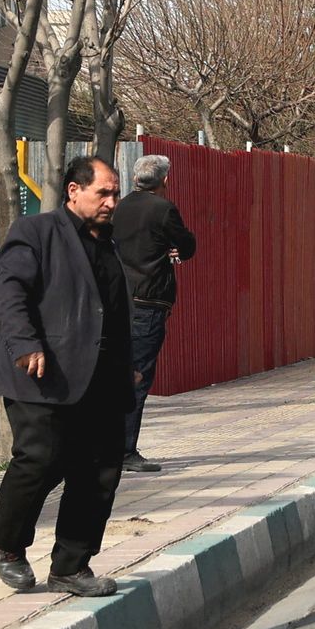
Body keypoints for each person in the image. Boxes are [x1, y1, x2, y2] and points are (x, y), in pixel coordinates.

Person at [0, 157, 135, 597]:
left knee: (99, 471)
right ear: (73, 191)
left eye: (115, 193)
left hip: (100, 379)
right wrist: (26, 343)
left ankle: (71, 565)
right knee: (41, 458)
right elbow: (9, 291)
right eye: (103, 192)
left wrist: (129, 362)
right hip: (41, 372)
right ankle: (6, 544)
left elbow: (110, 310)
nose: (111, 201)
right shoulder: (37, 231)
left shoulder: (110, 243)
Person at [111, 153, 196, 476]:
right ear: (164, 180)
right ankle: (125, 450)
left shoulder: (118, 207)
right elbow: (185, 244)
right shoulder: (163, 209)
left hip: (117, 300)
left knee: (114, 373)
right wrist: (177, 249)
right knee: (138, 375)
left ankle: (106, 446)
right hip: (148, 301)